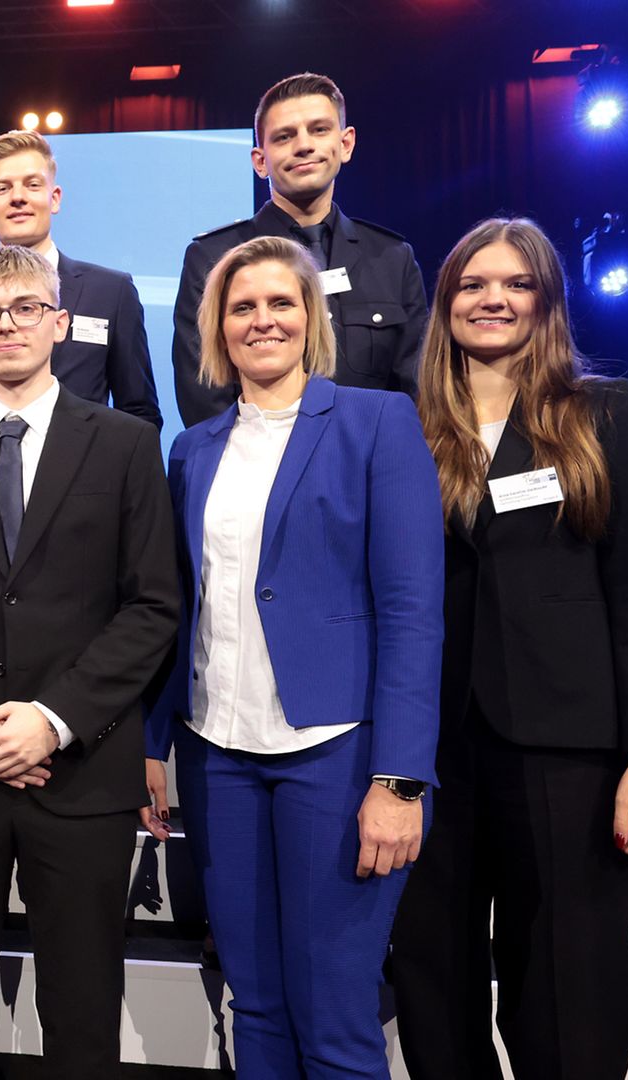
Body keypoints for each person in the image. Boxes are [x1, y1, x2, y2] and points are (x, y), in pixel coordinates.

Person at [390, 218, 628, 1080]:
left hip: (570, 747)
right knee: (433, 980)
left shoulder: (605, 412)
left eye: (517, 284)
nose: (494, 299)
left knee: (570, 984)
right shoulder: (402, 426)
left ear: (546, 301)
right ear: (446, 303)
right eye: (474, 284)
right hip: (432, 746)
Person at [142, 235, 443, 1079]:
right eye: (242, 307)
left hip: (339, 757)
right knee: (256, 1005)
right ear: (217, 328)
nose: (262, 319)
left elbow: (415, 614)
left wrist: (401, 780)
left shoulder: (377, 422)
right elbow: (184, 608)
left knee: (338, 1017)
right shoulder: (192, 449)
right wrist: (153, 741)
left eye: (282, 303)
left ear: (311, 319)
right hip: (220, 756)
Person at [0, 245, 178, 1080]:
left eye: (23, 309)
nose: (6, 325)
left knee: (83, 1015)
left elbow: (152, 604)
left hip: (78, 772)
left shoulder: (124, 445)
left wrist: (48, 723)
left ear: (59, 322)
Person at [172, 72, 430, 428]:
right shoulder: (213, 257)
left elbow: (415, 390)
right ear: (260, 160)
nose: (304, 145)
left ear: (346, 143)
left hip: (369, 468)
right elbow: (203, 389)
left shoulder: (391, 258)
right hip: (257, 470)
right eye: (284, 136)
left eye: (319, 130)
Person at [0, 129, 161, 428]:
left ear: (55, 198)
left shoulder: (112, 293)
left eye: (32, 185)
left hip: (89, 470)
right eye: (3, 188)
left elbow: (139, 411)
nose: (18, 197)